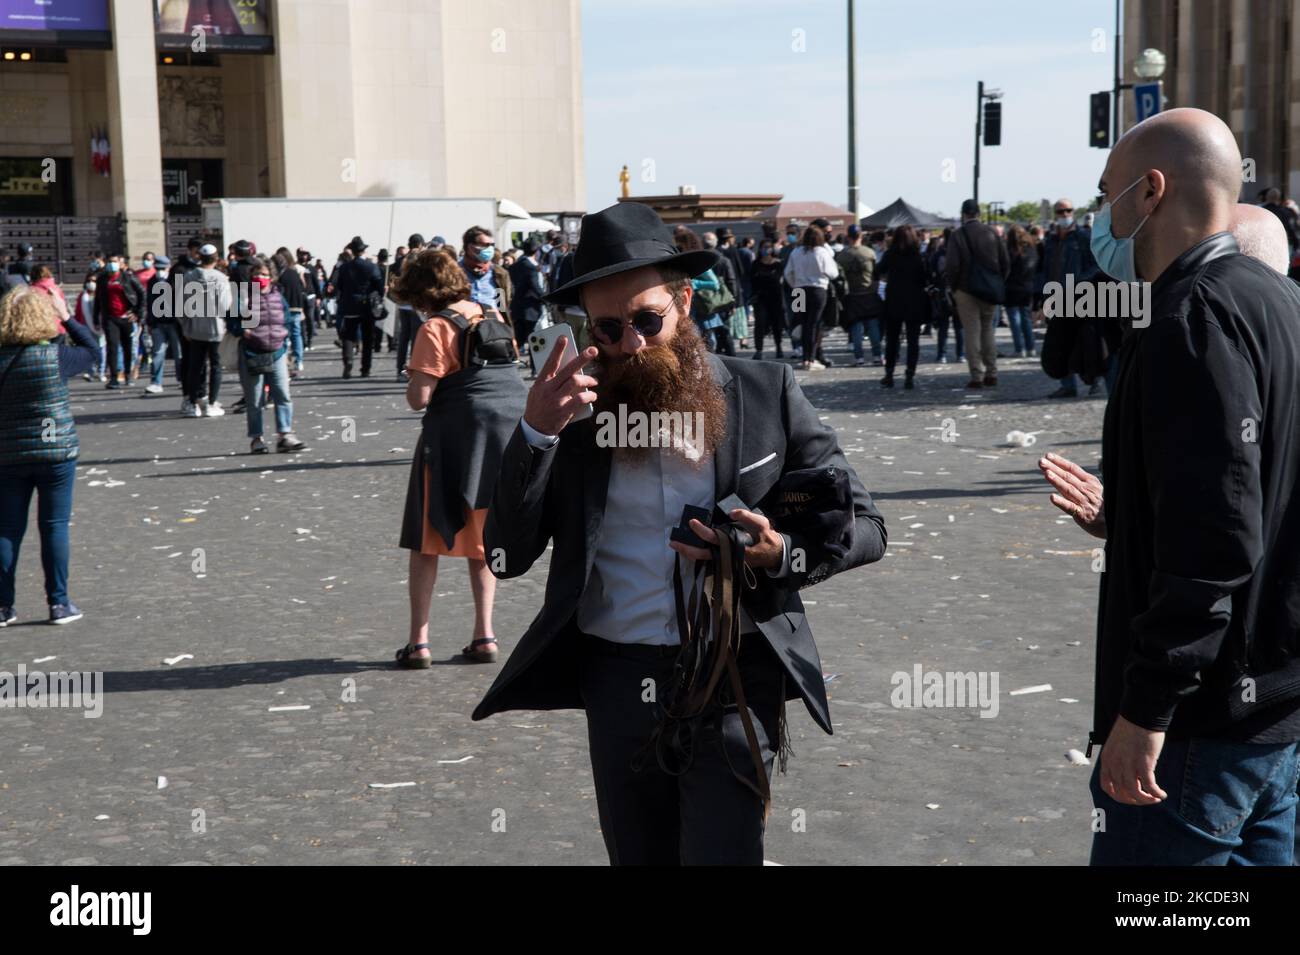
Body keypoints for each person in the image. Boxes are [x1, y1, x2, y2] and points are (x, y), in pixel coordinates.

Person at [471, 202, 887, 865]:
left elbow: (866, 526)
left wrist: (782, 553)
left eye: (646, 320)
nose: (631, 343)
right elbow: (505, 554)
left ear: (685, 300)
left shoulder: (764, 392)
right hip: (618, 682)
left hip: (733, 678)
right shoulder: (571, 415)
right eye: (609, 329)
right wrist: (534, 435)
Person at [1039, 107, 1300, 866]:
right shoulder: (1278, 300)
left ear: (1151, 190)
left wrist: (1147, 707)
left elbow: (1215, 539)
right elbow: (1249, 498)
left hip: (1199, 723)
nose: (1098, 215)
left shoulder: (1189, 317)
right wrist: (1131, 519)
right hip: (1273, 707)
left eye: (1107, 192)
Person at [393, 247, 526, 668]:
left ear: (421, 293)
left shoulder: (435, 327)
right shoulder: (492, 314)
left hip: (452, 439)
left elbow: (420, 399)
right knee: (485, 540)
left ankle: (419, 642)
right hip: (502, 437)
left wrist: (413, 377)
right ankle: (485, 634)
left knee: (426, 539)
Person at [0, 288, 98, 627]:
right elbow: (93, 350)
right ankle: (58, 603)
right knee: (54, 526)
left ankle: (3, 606)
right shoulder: (57, 356)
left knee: (8, 529)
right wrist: (67, 316)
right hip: (55, 449)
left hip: (8, 453)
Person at [229, 256, 307, 454]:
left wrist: (284, 334)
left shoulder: (278, 296)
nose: (261, 277)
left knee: (283, 394)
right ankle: (257, 438)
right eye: (257, 274)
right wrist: (242, 331)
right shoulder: (243, 296)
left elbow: (287, 318)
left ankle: (285, 435)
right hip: (251, 352)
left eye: (264, 274)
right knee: (254, 399)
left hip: (277, 351)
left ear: (271, 277)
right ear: (251, 276)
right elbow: (231, 322)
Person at [1037, 198, 1101, 397]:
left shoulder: (1083, 237)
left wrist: (1080, 284)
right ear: (1055, 214)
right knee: (1060, 342)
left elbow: (1095, 266)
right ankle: (1068, 385)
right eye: (1061, 211)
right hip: (1056, 296)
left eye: (1068, 211)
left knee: (1087, 340)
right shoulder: (1051, 239)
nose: (1065, 215)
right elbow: (1045, 269)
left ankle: (1094, 380)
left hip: (1080, 297)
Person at [944, 198, 1009, 389]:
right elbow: (1005, 262)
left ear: (964, 214)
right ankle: (992, 372)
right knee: (988, 330)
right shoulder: (991, 232)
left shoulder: (958, 235)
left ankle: (976, 375)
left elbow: (952, 265)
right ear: (979, 214)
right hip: (989, 289)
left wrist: (953, 287)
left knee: (972, 332)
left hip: (965, 289)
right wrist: (997, 282)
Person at [178, 244, 231, 417]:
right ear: (216, 258)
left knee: (196, 366)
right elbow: (225, 305)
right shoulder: (221, 278)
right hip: (217, 328)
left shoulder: (189, 276)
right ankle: (212, 403)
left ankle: (194, 403)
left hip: (195, 328)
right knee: (215, 366)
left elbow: (181, 305)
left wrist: (186, 326)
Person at [877, 225, 928, 389]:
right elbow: (925, 279)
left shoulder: (891, 254)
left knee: (892, 338)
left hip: (894, 299)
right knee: (913, 340)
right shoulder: (918, 256)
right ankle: (910, 374)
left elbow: (878, 271)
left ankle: (889, 373)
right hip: (914, 300)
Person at [782, 224, 839, 371]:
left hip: (799, 291)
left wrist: (795, 284)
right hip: (817, 290)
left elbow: (788, 272)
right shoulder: (821, 252)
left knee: (802, 322)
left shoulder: (796, 252)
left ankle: (803, 355)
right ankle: (811, 358)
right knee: (814, 324)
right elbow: (833, 273)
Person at [334, 236, 384, 378]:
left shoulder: (344, 267)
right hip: (367, 305)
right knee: (367, 338)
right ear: (363, 251)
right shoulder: (371, 267)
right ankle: (365, 368)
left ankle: (348, 361)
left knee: (348, 336)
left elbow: (340, 286)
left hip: (349, 304)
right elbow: (379, 286)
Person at [93, 255, 146, 390]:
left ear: (120, 264)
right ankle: (114, 378)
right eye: (110, 262)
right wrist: (96, 317)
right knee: (112, 347)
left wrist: (137, 313)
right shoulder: (102, 279)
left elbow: (142, 294)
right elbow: (98, 299)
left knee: (128, 348)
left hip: (126, 318)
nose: (112, 264)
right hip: (110, 318)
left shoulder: (127, 277)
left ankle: (128, 374)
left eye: (115, 262)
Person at [835, 224, 879, 367]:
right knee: (873, 326)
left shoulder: (842, 255)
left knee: (856, 327)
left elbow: (838, 276)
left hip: (852, 295)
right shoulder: (870, 253)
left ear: (848, 237)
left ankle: (858, 357)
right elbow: (876, 274)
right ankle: (877, 355)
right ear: (861, 236)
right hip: (869, 292)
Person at [507, 238, 547, 363]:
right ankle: (535, 367)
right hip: (531, 308)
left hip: (517, 307)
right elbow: (535, 287)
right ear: (536, 251)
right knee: (534, 339)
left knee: (518, 338)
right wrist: (547, 298)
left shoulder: (514, 266)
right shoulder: (531, 267)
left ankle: (509, 361)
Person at [461, 226, 513, 318]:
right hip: (464, 325)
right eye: (485, 245)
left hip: (491, 327)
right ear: (470, 247)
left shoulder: (498, 274)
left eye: (491, 245)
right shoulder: (455, 272)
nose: (489, 249)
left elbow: (501, 306)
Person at [393, 233, 425, 380]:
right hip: (415, 304)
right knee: (415, 338)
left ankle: (400, 369)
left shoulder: (400, 260)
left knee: (403, 338)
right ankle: (412, 370)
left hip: (402, 303)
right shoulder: (422, 260)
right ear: (420, 245)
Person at [1004, 226, 1039, 358]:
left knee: (1014, 320)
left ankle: (1019, 349)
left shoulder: (1010, 251)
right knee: (1026, 319)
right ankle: (1030, 347)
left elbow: (1004, 269)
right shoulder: (1032, 250)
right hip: (1027, 286)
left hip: (1011, 288)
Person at [748, 238, 786, 360]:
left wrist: (763, 276)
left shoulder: (778, 263)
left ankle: (779, 347)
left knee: (777, 324)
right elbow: (752, 281)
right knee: (760, 324)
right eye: (764, 246)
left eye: (769, 246)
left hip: (775, 298)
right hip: (760, 299)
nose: (766, 249)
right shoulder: (755, 263)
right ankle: (759, 350)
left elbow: (777, 279)